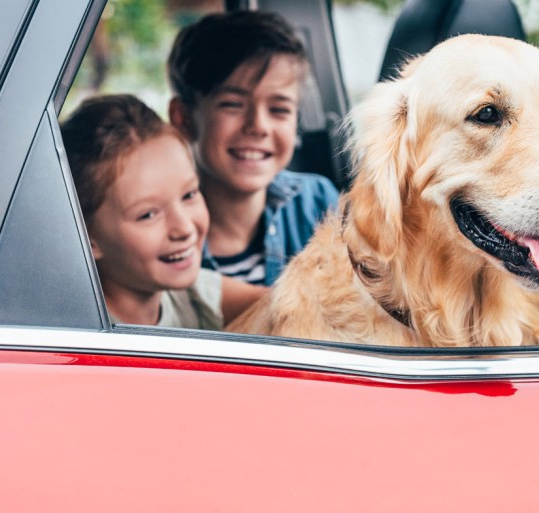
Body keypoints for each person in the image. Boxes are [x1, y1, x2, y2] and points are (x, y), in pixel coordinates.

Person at [60, 94, 266, 328]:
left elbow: (285, 306)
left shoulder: (191, 294)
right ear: (87, 238)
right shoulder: (77, 334)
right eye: (148, 214)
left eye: (189, 195)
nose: (185, 228)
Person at [166, 10, 339, 286]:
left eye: (279, 109)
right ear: (183, 118)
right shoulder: (162, 236)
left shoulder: (318, 203)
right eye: (232, 104)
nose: (258, 126)